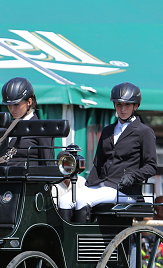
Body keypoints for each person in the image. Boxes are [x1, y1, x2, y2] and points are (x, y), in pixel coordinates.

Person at [58, 82, 157, 222]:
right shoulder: (107, 131)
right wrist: (88, 185)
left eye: (127, 105)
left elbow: (151, 166)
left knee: (82, 201)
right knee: (65, 200)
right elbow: (98, 163)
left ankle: (83, 243)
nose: (123, 109)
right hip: (101, 185)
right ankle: (65, 243)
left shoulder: (144, 132)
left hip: (124, 190)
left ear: (135, 106)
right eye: (119, 105)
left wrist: (133, 176)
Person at [1, 77, 53, 166]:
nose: (12, 109)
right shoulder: (5, 127)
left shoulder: (41, 129)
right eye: (9, 105)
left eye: (16, 104)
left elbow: (47, 165)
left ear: (29, 102)